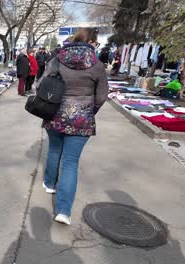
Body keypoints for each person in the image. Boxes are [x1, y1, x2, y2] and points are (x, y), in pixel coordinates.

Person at [39, 28, 108, 225]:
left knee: (54, 150)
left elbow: (41, 85)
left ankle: (50, 184)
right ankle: (63, 211)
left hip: (55, 115)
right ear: (92, 42)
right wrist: (88, 111)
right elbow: (102, 96)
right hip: (81, 120)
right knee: (70, 162)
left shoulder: (57, 59)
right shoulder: (97, 65)